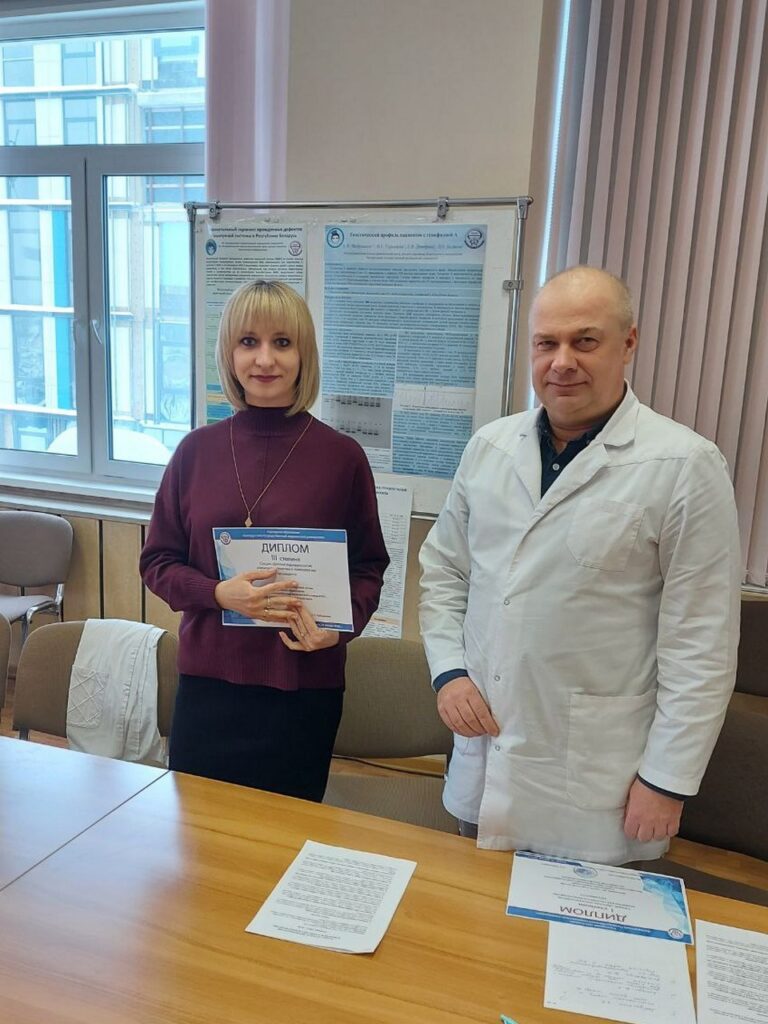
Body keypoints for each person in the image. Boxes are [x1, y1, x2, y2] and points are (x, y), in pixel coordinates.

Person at [419, 265, 740, 865]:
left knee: (584, 927)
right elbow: (444, 572)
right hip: (485, 760)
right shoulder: (489, 448)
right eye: (547, 343)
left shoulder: (685, 466)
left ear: (628, 343)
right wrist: (449, 672)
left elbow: (702, 643)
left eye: (585, 341)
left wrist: (667, 779)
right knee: (471, 912)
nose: (562, 362)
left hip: (602, 787)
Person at [141, 280, 388, 801]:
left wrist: (336, 631)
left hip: (302, 688)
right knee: (201, 831)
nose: (265, 359)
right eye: (248, 341)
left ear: (304, 354)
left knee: (286, 835)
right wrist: (216, 593)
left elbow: (368, 567)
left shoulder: (342, 457)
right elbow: (157, 561)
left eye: (283, 342)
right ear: (229, 354)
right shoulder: (195, 452)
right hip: (209, 686)